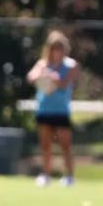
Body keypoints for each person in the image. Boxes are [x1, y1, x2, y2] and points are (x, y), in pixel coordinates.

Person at [25, 31, 79, 187]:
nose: (57, 51)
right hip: (44, 109)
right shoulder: (42, 64)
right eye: (54, 48)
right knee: (45, 145)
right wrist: (42, 75)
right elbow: (31, 77)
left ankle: (69, 176)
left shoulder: (71, 65)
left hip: (61, 110)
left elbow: (64, 83)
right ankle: (46, 175)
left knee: (65, 145)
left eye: (60, 48)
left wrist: (54, 78)